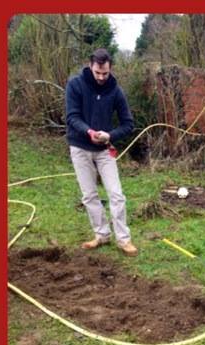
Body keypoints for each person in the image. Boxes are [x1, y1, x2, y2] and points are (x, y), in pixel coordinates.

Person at [65, 48, 137, 255]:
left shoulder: (115, 91)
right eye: (98, 72)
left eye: (105, 73)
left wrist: (110, 135)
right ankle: (102, 235)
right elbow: (71, 117)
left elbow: (128, 124)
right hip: (79, 147)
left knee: (116, 194)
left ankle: (123, 240)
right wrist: (88, 131)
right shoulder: (75, 85)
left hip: (105, 150)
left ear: (110, 68)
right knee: (89, 195)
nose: (101, 77)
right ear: (91, 66)